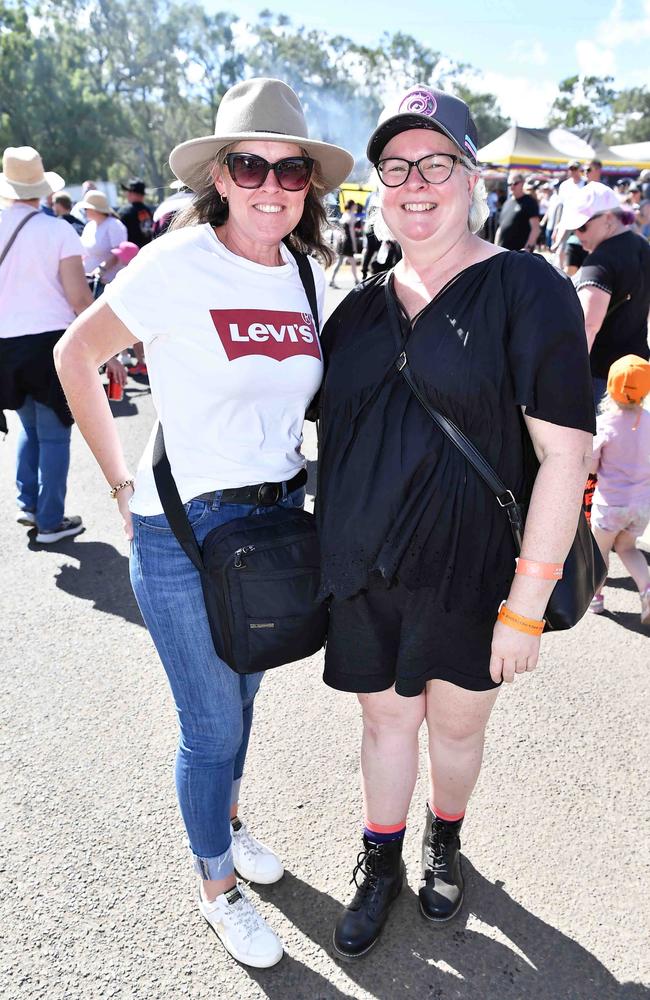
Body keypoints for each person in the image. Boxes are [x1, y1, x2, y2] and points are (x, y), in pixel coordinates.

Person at [54, 77, 353, 969]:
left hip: (273, 529)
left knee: (248, 696)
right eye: (250, 165)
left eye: (290, 168)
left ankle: (226, 818)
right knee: (212, 725)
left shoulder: (310, 276)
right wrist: (115, 477)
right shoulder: (178, 263)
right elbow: (76, 354)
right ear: (220, 175)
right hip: (180, 536)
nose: (271, 184)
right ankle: (215, 883)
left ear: (309, 184)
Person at [316, 85, 595, 959]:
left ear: (472, 177)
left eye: (437, 162)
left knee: (459, 728)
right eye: (396, 166)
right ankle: (380, 857)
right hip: (368, 572)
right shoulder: (356, 311)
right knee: (383, 724)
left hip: (476, 573)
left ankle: (447, 837)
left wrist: (527, 602)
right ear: (377, 187)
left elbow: (564, 454)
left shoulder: (525, 286)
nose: (415, 183)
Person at [0, 145, 93, 542]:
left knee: (29, 426)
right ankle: (51, 521)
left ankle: (30, 505)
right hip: (49, 342)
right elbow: (78, 297)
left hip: (5, 344)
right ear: (41, 188)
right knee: (55, 433)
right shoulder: (57, 230)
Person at [562, 182, 650, 408]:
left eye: (582, 227)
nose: (577, 235)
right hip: (635, 372)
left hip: (600, 377)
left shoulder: (600, 262)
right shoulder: (643, 246)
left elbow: (587, 327)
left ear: (609, 218)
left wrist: (568, 378)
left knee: (598, 442)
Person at [588, 355, 650, 625]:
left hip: (610, 505)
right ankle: (647, 588)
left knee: (599, 552)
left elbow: (590, 466)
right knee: (627, 548)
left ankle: (596, 599)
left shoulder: (605, 425)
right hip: (642, 505)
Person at [77, 190, 128, 294]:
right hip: (90, 282)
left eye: (86, 208)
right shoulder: (89, 226)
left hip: (108, 284)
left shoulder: (114, 225)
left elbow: (118, 253)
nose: (85, 211)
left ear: (95, 209)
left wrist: (101, 270)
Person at [494, 171, 540, 251]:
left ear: (522, 183)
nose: (512, 187)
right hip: (503, 252)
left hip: (519, 254)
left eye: (515, 183)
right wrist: (495, 248)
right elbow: (500, 228)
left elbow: (535, 228)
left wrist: (527, 249)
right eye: (509, 184)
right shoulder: (507, 203)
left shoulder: (529, 202)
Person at [329, 198, 360, 287]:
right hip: (348, 241)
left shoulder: (344, 215)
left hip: (342, 240)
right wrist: (354, 245)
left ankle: (332, 280)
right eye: (355, 205)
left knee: (340, 262)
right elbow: (352, 232)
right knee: (352, 262)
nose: (356, 207)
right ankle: (356, 280)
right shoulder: (352, 216)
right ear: (352, 206)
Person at [118, 178, 154, 247]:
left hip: (131, 253)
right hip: (148, 251)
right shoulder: (148, 211)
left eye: (129, 192)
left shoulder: (124, 212)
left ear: (132, 193)